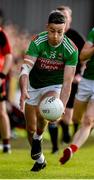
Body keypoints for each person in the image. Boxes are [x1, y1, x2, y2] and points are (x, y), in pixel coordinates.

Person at [19, 10, 78, 172]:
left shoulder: (71, 49)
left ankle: (39, 136)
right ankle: (40, 159)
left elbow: (67, 83)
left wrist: (62, 107)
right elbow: (25, 70)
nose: (56, 36)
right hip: (34, 84)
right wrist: (24, 88)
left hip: (54, 85)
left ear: (65, 29)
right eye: (52, 31)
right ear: (47, 28)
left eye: (60, 32)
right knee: (29, 129)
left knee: (47, 108)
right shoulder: (38, 41)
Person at [48, 5, 85, 153]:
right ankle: (55, 147)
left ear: (70, 19)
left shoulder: (76, 37)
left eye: (65, 17)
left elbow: (85, 57)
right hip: (54, 79)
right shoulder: (50, 36)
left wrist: (80, 74)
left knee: (67, 116)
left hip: (70, 80)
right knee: (52, 113)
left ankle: (68, 134)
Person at [59, 26, 94, 165]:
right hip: (87, 80)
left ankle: (71, 149)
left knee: (89, 120)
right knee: (76, 118)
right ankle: (79, 129)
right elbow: (83, 56)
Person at [0, 9, 13, 153]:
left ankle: (6, 145)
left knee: (1, 111)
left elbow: (9, 56)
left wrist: (2, 76)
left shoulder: (1, 34)